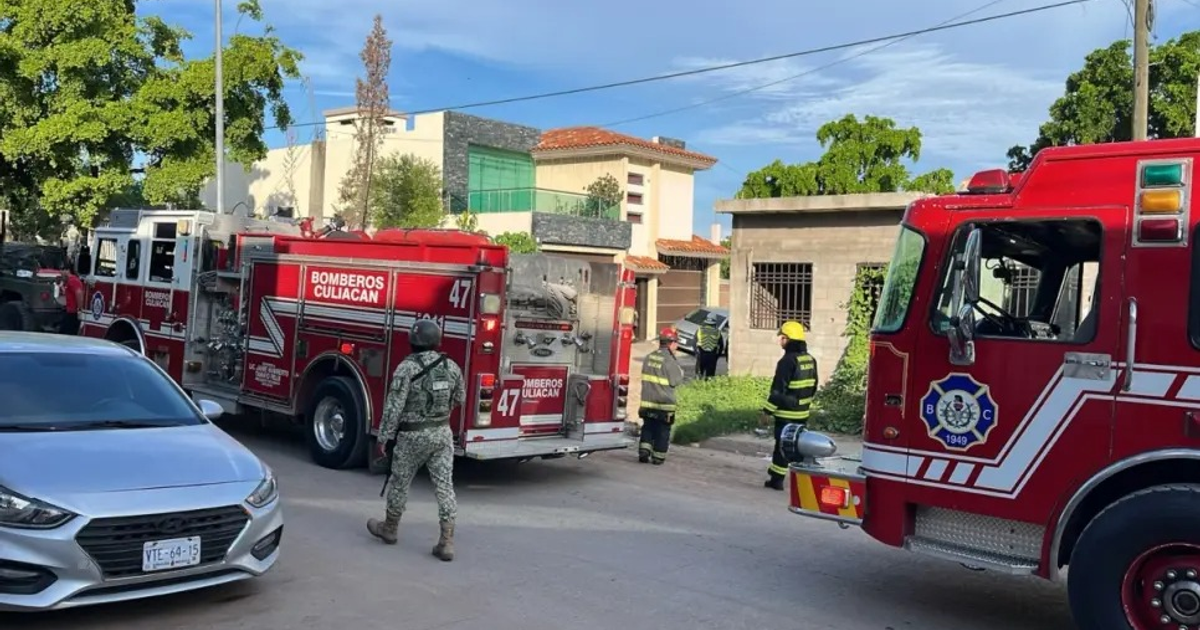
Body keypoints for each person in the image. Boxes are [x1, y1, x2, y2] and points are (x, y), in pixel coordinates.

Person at [367, 319, 466, 561]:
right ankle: (447, 542)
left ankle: (390, 528)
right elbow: (460, 397)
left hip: (412, 435)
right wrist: (439, 415)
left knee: (400, 482)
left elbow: (393, 407)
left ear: (412, 341)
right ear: (437, 341)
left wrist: (383, 438)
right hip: (441, 433)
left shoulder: (406, 368)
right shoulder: (451, 366)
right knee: (444, 487)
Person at [762, 320, 818, 491]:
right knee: (798, 446)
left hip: (786, 415)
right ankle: (801, 483)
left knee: (781, 446)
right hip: (802, 414)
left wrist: (766, 412)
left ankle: (776, 480)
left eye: (782, 337)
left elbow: (778, 390)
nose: (780, 341)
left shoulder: (787, 361)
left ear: (788, 339)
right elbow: (814, 386)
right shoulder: (810, 359)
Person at [637, 327, 685, 465]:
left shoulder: (648, 357)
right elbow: (676, 381)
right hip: (664, 404)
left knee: (648, 427)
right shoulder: (670, 361)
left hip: (647, 402)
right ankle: (658, 456)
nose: (677, 346)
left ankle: (644, 451)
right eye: (676, 342)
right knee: (663, 431)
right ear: (671, 343)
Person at [58, 265, 84, 336]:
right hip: (69, 311)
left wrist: (79, 309)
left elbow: (79, 293)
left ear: (67, 271)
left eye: (62, 273)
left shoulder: (72, 280)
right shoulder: (68, 281)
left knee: (68, 333)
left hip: (73, 313)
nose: (61, 275)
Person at [695, 314, 722, 379]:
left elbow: (694, 343)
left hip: (701, 355)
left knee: (699, 375)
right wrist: (717, 356)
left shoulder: (699, 330)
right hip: (712, 356)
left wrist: (696, 353)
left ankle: (697, 385)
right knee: (710, 377)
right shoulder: (717, 331)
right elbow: (721, 345)